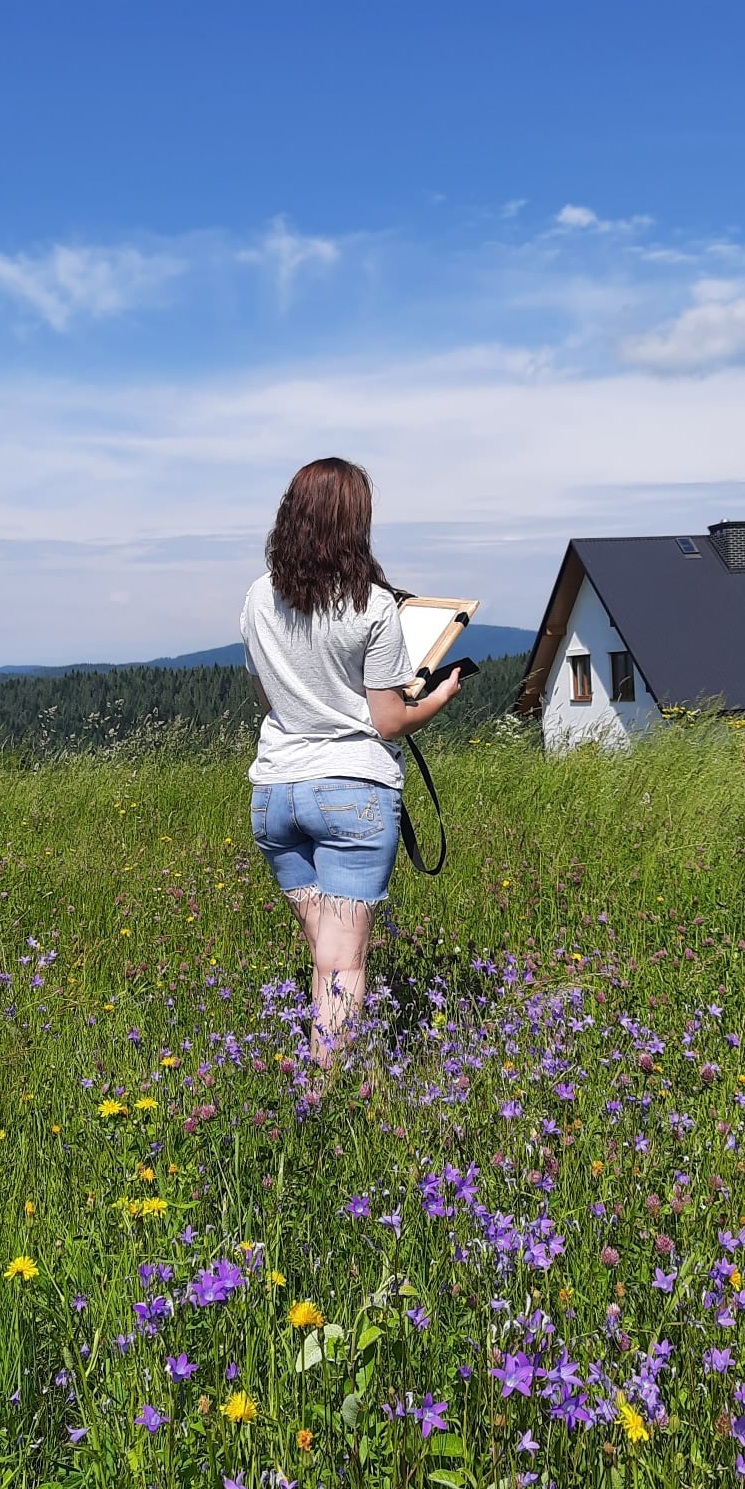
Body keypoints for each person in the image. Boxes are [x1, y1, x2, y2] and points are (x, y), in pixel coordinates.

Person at [240, 458, 463, 1069]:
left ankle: (315, 1078)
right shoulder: (374, 607)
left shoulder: (258, 597)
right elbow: (389, 721)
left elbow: (267, 698)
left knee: (326, 952)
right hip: (353, 793)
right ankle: (327, 1098)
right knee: (343, 962)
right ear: (354, 524)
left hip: (274, 793)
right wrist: (440, 696)